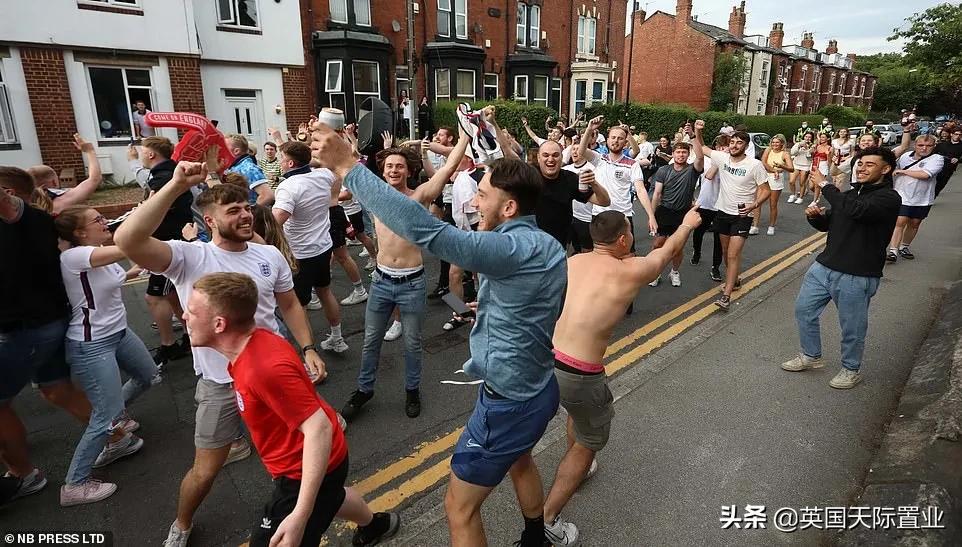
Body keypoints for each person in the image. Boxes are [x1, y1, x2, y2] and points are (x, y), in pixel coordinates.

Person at [311, 120, 566, 547]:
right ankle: (536, 536)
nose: (474, 202)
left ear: (508, 208)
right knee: (520, 460)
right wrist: (491, 309)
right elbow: (531, 301)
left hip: (509, 403)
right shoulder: (545, 244)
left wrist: (348, 165)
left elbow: (427, 230)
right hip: (538, 388)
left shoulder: (510, 247)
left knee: (458, 508)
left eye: (482, 195)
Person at [113, 172, 325, 547]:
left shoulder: (269, 254)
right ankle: (182, 523)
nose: (246, 215)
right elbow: (127, 239)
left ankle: (337, 510)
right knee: (205, 471)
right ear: (208, 220)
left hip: (269, 378)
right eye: (233, 210)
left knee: (306, 459)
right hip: (220, 386)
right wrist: (177, 186)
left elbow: (289, 304)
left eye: (246, 207)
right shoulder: (188, 256)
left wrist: (307, 347)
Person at [183, 273, 399, 547]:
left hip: (302, 471)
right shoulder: (253, 346)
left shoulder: (262, 369)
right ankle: (376, 526)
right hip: (323, 462)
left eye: (191, 311)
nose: (184, 317)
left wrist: (300, 513)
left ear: (219, 324)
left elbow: (317, 428)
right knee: (333, 496)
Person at [542, 207, 702, 545]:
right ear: (622, 238)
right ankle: (548, 520)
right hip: (581, 373)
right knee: (590, 440)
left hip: (546, 360)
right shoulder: (631, 270)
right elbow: (668, 250)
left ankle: (579, 471)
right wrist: (687, 224)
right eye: (629, 230)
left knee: (578, 415)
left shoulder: (573, 262)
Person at [0, 167, 126, 505]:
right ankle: (115, 434)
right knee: (57, 391)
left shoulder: (41, 226)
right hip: (56, 324)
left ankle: (36, 477)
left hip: (32, 329)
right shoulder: (49, 226)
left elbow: (92, 191)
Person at [340, 130, 470, 421]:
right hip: (382, 282)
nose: (394, 170)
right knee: (371, 340)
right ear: (383, 171)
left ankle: (412, 390)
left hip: (412, 283)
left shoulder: (420, 197)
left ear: (409, 170)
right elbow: (348, 164)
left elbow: (449, 167)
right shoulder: (374, 197)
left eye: (399, 166)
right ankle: (364, 390)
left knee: (412, 342)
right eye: (389, 166)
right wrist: (348, 139)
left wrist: (465, 134)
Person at [54, 206, 157, 506]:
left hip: (120, 332)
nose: (104, 222)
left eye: (103, 217)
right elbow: (130, 243)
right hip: (92, 343)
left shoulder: (98, 249)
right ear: (79, 233)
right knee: (102, 415)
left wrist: (131, 273)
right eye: (97, 220)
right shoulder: (73, 256)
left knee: (147, 377)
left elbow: (106, 282)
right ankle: (74, 484)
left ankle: (116, 424)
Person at [783, 147, 901, 389]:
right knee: (804, 311)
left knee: (852, 327)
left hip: (857, 275)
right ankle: (811, 355)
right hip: (823, 267)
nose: (861, 167)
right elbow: (831, 223)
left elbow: (856, 211)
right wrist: (815, 217)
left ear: (886, 169)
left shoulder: (888, 198)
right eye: (860, 163)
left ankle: (851, 369)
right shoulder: (851, 194)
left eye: (870, 164)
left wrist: (826, 185)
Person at [271, 141, 349, 353]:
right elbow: (332, 173)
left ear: (289, 163)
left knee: (297, 305)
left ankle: (308, 352)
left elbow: (276, 220)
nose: (279, 162)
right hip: (323, 247)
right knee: (325, 291)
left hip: (300, 254)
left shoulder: (288, 186)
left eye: (281, 158)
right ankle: (337, 338)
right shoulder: (323, 175)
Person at [693, 122, 770, 311]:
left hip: (742, 215)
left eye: (739, 143)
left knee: (733, 254)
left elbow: (765, 190)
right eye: (733, 142)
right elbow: (702, 147)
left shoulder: (754, 165)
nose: (735, 145)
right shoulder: (723, 158)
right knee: (728, 254)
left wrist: (754, 204)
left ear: (745, 145)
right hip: (723, 213)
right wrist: (697, 130)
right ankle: (734, 280)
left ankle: (726, 296)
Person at [137, 137, 193, 368]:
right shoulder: (165, 173)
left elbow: (156, 208)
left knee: (154, 297)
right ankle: (191, 335)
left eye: (142, 151)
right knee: (173, 295)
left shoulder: (164, 177)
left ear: (151, 154)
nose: (139, 154)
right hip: (169, 242)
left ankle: (169, 345)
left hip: (170, 246)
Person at [577, 116, 657, 254]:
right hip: (600, 215)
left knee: (628, 255)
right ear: (607, 140)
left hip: (623, 215)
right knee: (600, 256)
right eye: (613, 137)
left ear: (625, 143)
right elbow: (581, 151)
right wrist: (589, 129)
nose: (616, 141)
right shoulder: (599, 159)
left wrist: (651, 215)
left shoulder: (632, 164)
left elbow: (640, 189)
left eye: (620, 138)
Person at [647, 140, 704, 287]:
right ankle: (656, 272)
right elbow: (657, 194)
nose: (681, 154)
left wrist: (694, 136)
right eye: (678, 152)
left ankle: (674, 272)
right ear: (673, 154)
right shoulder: (663, 170)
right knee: (658, 244)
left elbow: (700, 158)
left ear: (688, 154)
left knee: (678, 247)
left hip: (683, 214)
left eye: (684, 152)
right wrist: (651, 216)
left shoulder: (693, 170)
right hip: (664, 211)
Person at [534, 140, 610, 248]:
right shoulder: (529, 177)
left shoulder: (570, 178)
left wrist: (594, 183)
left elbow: (604, 201)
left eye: (555, 155)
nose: (550, 159)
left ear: (562, 157)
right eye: (546, 155)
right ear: (538, 157)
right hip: (532, 245)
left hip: (559, 245)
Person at [886, 129, 944, 263]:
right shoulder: (905, 156)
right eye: (921, 145)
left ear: (934, 146)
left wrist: (903, 171)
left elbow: (925, 175)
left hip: (922, 199)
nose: (924, 148)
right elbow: (891, 165)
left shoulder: (937, 159)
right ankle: (893, 251)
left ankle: (904, 246)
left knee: (914, 223)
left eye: (928, 146)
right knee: (899, 222)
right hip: (902, 196)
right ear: (915, 145)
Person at [27, 134, 103, 215]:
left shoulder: (22, 205)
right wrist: (90, 151)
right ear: (54, 182)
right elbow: (94, 179)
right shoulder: (61, 200)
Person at [691, 135, 726, 282]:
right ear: (716, 148)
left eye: (726, 147)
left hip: (721, 206)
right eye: (720, 147)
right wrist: (692, 198)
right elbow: (705, 177)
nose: (723, 150)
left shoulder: (731, 164)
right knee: (698, 231)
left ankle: (715, 267)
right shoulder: (706, 161)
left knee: (719, 238)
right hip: (705, 203)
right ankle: (697, 252)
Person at [753, 134, 794, 236]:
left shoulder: (785, 154)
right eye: (773, 142)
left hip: (776, 179)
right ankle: (755, 226)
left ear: (781, 143)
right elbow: (763, 162)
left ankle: (771, 226)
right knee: (757, 202)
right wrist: (774, 170)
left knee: (773, 204)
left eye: (777, 142)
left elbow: (791, 168)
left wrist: (781, 166)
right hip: (765, 176)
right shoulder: (768, 150)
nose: (774, 144)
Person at [225, 134, 275, 206]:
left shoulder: (248, 168)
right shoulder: (235, 167)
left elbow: (267, 196)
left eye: (224, 146)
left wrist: (250, 213)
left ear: (236, 151)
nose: (220, 148)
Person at [934, 127, 962, 197]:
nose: (957, 136)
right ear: (952, 134)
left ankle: (931, 198)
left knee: (939, 186)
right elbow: (932, 153)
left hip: (948, 169)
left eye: (960, 135)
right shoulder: (942, 144)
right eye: (956, 134)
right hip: (936, 167)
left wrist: (958, 159)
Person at [788, 132, 814, 204]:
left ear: (811, 138)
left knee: (802, 182)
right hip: (796, 164)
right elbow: (793, 153)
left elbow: (809, 156)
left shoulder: (813, 146)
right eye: (806, 137)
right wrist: (799, 146)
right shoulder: (798, 144)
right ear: (804, 137)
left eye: (809, 137)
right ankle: (793, 194)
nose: (807, 138)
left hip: (805, 165)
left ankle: (801, 197)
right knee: (791, 181)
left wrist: (807, 149)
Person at [809, 132, 833, 206]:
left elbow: (830, 162)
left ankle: (814, 201)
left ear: (828, 139)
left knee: (817, 185)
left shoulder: (830, 148)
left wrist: (828, 155)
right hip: (814, 164)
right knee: (811, 186)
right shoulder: (817, 146)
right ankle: (818, 193)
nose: (821, 139)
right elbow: (811, 155)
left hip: (823, 166)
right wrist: (812, 150)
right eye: (821, 137)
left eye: (823, 137)